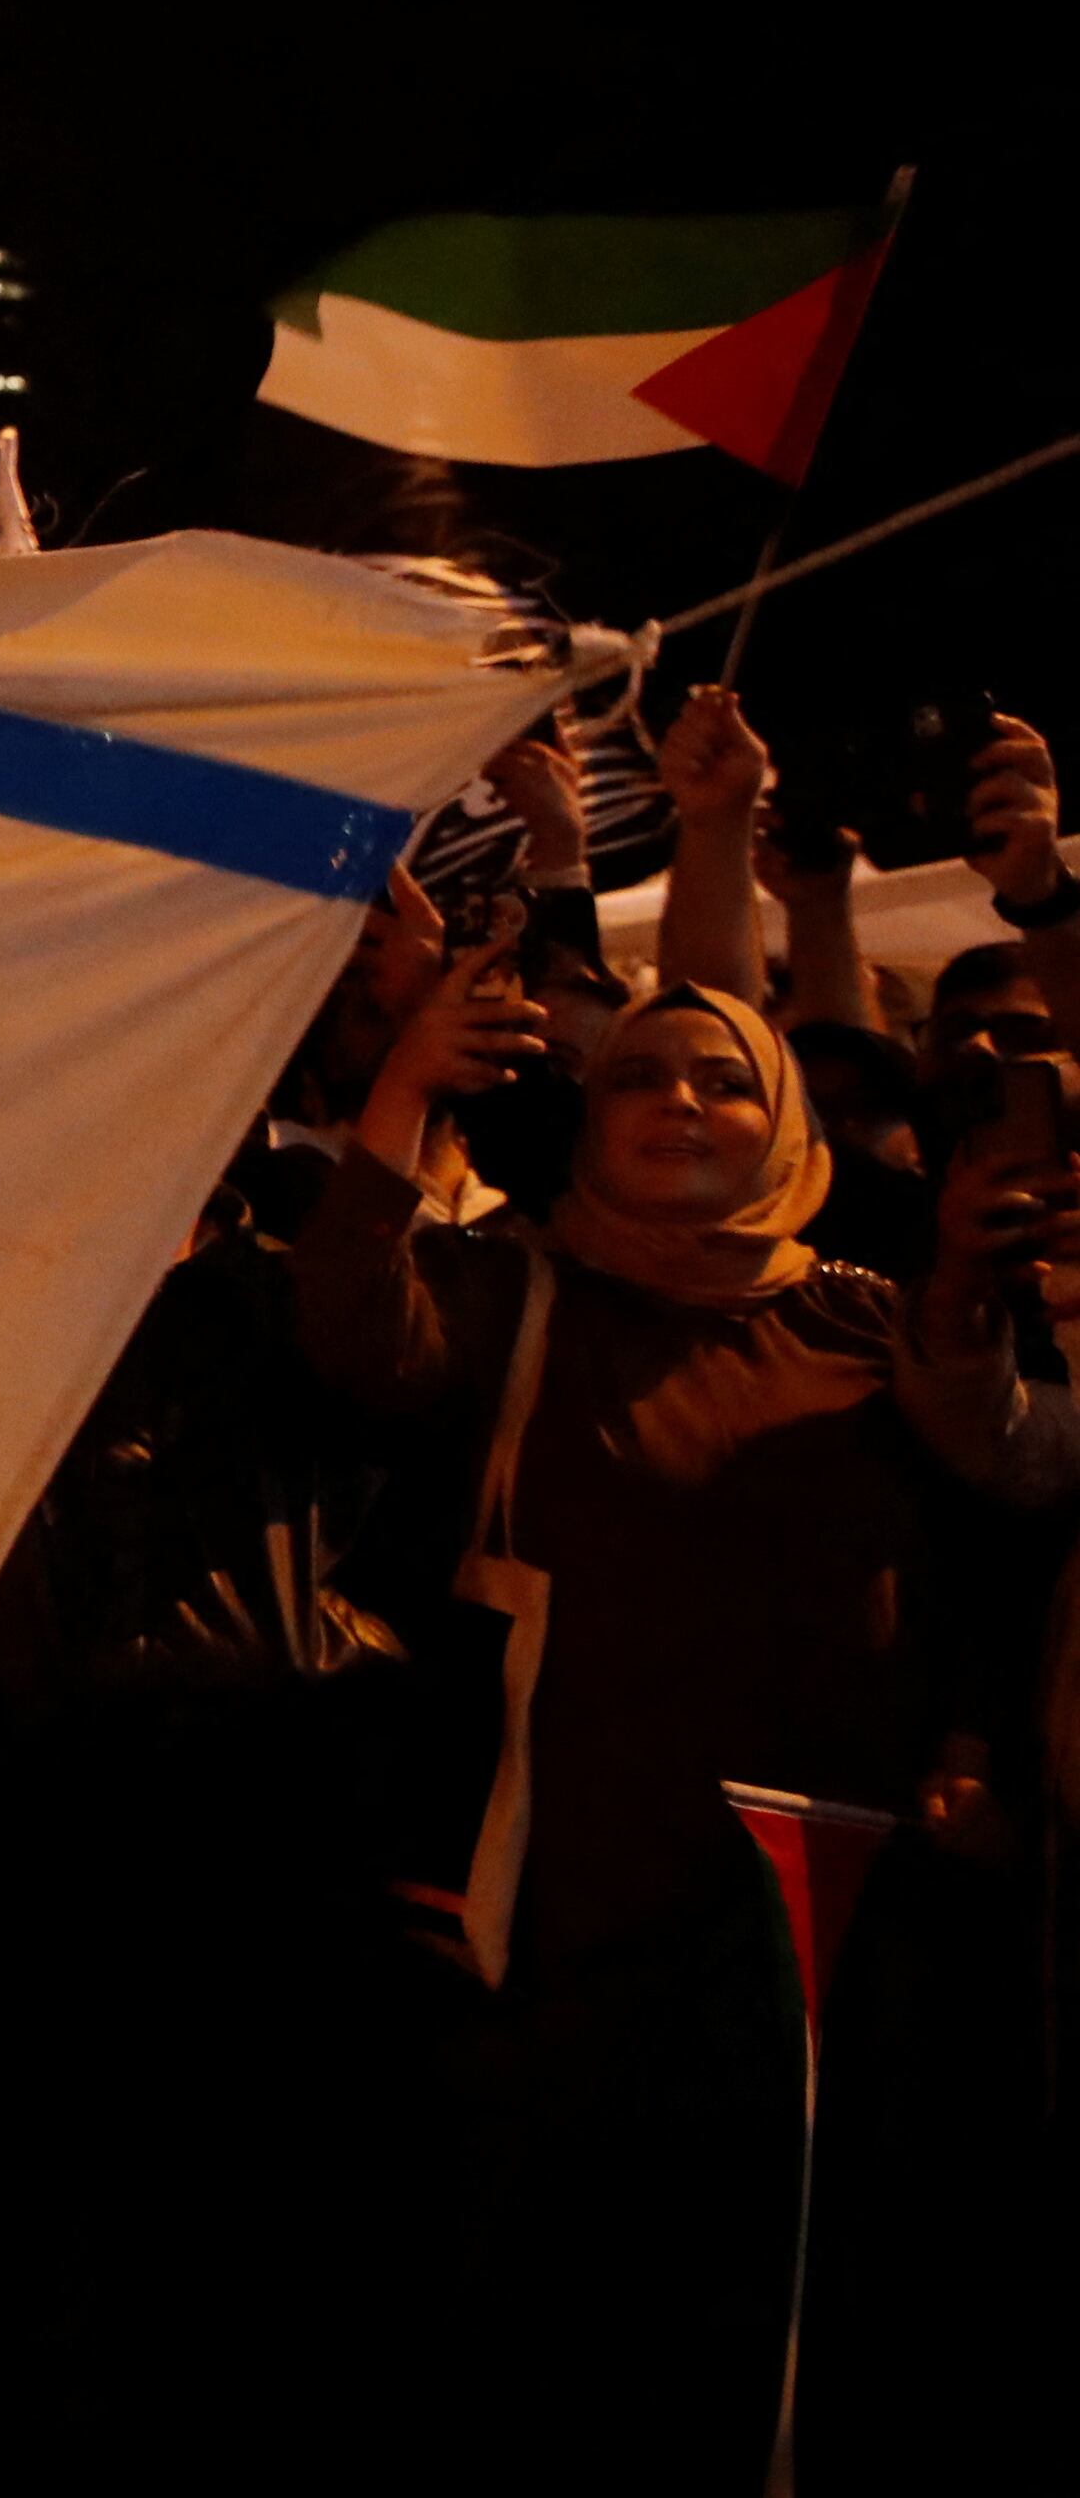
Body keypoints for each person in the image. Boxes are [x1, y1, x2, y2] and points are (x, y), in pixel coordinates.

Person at [301, 959, 1079, 2493]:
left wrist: (974, 1750)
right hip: (571, 1906)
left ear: (785, 1130)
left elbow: (1000, 1527)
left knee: (797, 2327)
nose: (680, 1104)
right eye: (642, 1077)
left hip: (825, 1922)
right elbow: (353, 1334)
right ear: (585, 1118)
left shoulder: (874, 1322)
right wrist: (404, 1087)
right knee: (558, 2333)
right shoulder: (516, 1292)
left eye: (724, 1082)